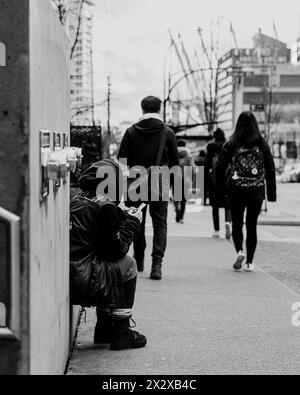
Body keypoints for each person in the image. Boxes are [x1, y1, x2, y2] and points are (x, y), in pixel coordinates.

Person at [70, 159, 147, 351]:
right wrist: (133, 221)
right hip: (85, 279)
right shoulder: (106, 207)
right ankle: (121, 331)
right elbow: (117, 249)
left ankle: (104, 328)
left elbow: (100, 238)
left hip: (74, 270)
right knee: (128, 264)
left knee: (109, 263)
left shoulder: (78, 199)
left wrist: (120, 214)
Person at [118, 96, 179, 280]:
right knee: (160, 223)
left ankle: (140, 260)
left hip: (136, 182)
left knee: (137, 220)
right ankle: (157, 265)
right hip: (159, 183)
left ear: (142, 109)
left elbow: (122, 161)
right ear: (159, 109)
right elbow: (175, 164)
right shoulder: (168, 133)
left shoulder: (130, 132)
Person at [216, 111, 277, 272]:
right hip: (256, 190)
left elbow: (219, 167)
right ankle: (250, 262)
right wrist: (271, 195)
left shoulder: (232, 143)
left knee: (237, 223)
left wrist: (222, 188)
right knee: (252, 225)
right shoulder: (261, 143)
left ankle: (239, 252)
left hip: (236, 190)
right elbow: (271, 169)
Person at [205, 128, 231, 240]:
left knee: (215, 206)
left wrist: (204, 183)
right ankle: (228, 222)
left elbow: (206, 167)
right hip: (226, 180)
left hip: (214, 181)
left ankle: (216, 230)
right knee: (227, 205)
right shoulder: (229, 146)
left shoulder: (210, 148)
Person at [174, 140, 193, 224]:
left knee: (176, 197)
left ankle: (176, 209)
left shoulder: (174, 154)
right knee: (183, 199)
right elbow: (193, 167)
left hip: (175, 177)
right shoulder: (189, 155)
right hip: (186, 178)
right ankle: (181, 217)